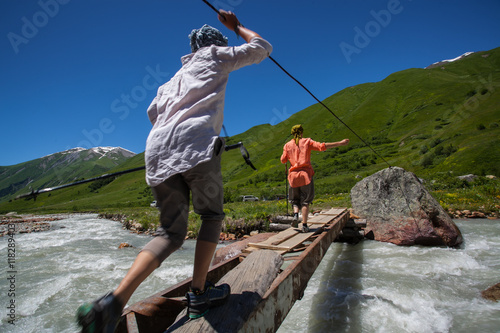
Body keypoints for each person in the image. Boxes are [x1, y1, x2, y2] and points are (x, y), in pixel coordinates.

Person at [76, 10, 272, 332]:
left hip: (157, 153)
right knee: (211, 215)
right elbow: (262, 47)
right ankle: (198, 295)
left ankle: (113, 302)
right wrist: (236, 27)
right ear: (214, 44)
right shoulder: (215, 56)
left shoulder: (169, 82)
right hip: (196, 147)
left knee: (169, 233)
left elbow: (152, 113)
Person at [280, 125, 349, 232]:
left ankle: (295, 215)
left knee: (295, 200)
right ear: (302, 132)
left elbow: (283, 160)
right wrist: (340, 143)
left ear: (292, 133)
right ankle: (304, 225)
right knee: (305, 201)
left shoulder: (287, 145)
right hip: (305, 175)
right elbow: (322, 146)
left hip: (293, 177)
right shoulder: (307, 141)